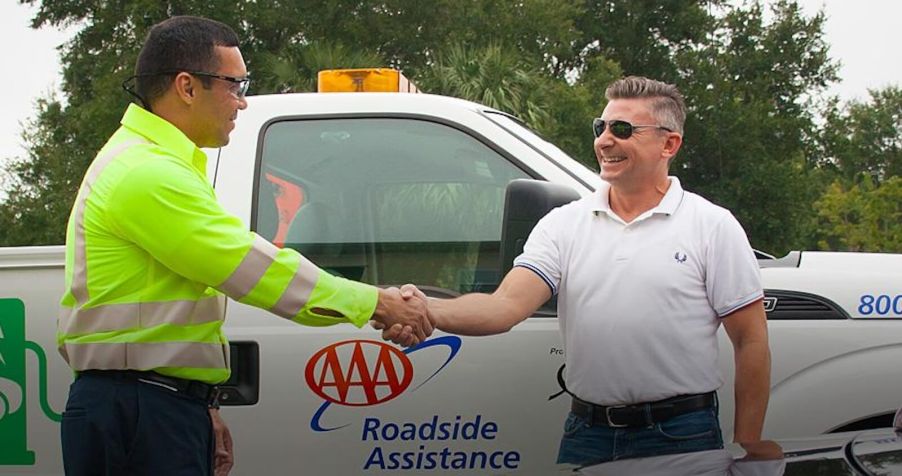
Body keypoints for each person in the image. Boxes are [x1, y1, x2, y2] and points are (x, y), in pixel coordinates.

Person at [57, 16, 430, 476]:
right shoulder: (146, 172)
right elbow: (251, 268)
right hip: (139, 411)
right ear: (187, 87)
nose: (243, 101)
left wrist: (199, 403)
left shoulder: (153, 163)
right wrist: (377, 303)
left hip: (150, 405)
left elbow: (173, 313)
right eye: (235, 84)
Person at [381, 76, 771, 466]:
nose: (604, 140)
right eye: (600, 127)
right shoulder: (562, 225)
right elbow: (505, 306)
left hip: (683, 434)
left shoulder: (712, 226)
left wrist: (748, 444)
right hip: (588, 434)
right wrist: (426, 308)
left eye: (622, 130)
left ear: (669, 144)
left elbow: (751, 341)